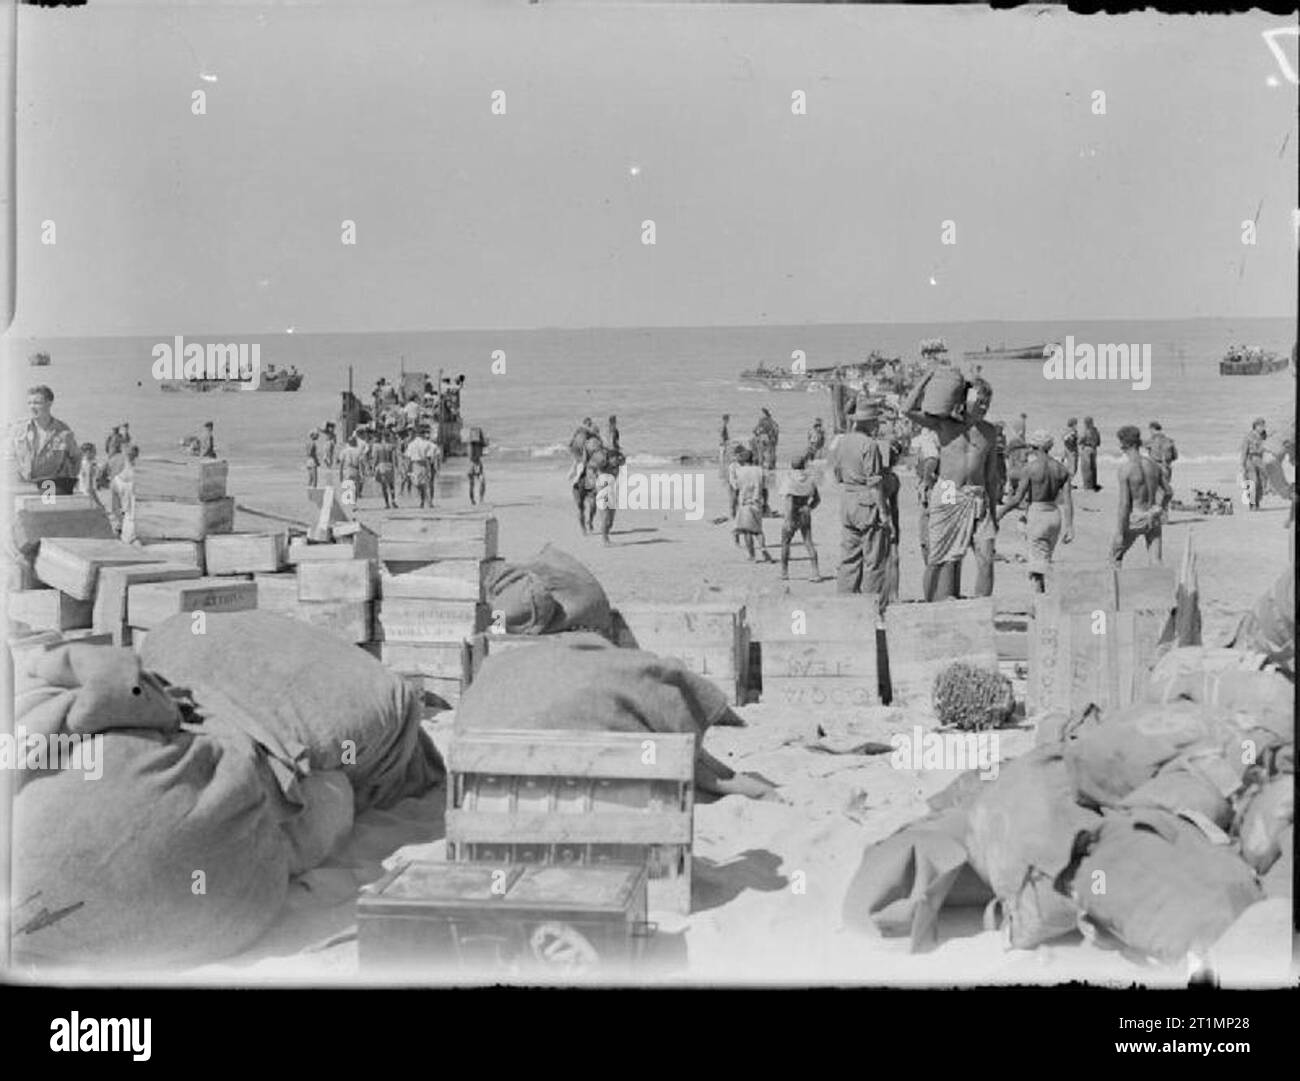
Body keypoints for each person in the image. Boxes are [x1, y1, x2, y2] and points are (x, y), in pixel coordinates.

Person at [903, 374, 1000, 601]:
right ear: (966, 399)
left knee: (986, 557)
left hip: (977, 495)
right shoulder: (945, 425)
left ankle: (981, 608)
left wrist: (994, 513)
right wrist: (927, 378)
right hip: (948, 490)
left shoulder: (989, 432)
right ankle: (933, 603)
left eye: (988, 403)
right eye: (980, 401)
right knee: (942, 557)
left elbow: (991, 476)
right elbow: (908, 409)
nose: (984, 407)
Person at [829, 395, 899, 605]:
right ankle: (871, 607)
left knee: (849, 557)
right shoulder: (870, 445)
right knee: (873, 559)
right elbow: (875, 483)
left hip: (848, 500)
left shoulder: (842, 441)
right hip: (867, 502)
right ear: (869, 421)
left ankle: (845, 604)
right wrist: (884, 513)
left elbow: (837, 474)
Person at [997, 430, 1073, 593]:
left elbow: (1017, 499)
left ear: (1034, 447)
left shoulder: (1030, 469)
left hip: (1037, 514)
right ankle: (1044, 596)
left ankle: (1040, 601)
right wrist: (1070, 526)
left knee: (1037, 565)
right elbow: (1067, 501)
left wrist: (1001, 513)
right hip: (1054, 514)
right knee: (1045, 558)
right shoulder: (1061, 469)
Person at [1111, 425, 1170, 565]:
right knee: (1156, 561)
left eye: (1120, 441)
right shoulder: (1154, 465)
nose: (1119, 445)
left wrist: (1120, 532)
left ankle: (1117, 586)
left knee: (1115, 557)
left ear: (1126, 444)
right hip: (1153, 514)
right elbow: (1168, 492)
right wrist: (1161, 507)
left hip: (1137, 517)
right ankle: (1160, 586)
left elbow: (1124, 505)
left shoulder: (1125, 469)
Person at [10, 385, 81, 495]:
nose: (32, 407)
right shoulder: (18, 430)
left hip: (50, 487)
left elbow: (76, 458)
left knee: (46, 511)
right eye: (30, 403)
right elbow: (8, 458)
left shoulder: (63, 432)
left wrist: (67, 482)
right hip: (23, 486)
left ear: (49, 403)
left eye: (37, 403)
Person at [779, 454, 821, 581]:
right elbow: (817, 499)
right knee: (808, 542)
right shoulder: (810, 479)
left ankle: (784, 572)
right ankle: (815, 572)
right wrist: (808, 507)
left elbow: (789, 500)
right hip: (805, 510)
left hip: (793, 512)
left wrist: (788, 519)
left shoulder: (789, 478)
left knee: (786, 542)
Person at [730, 447, 773, 562]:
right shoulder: (760, 470)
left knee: (747, 531)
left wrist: (733, 505)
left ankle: (752, 554)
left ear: (743, 460)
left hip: (744, 503)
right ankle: (763, 548)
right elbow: (765, 489)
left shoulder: (739, 471)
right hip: (757, 502)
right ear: (753, 459)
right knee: (758, 529)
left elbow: (736, 489)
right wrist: (766, 503)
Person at [914, 425, 941, 599]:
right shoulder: (950, 431)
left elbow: (931, 458)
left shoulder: (928, 435)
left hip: (934, 488)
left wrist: (925, 481)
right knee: (948, 535)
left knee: (928, 541)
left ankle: (933, 593)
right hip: (949, 485)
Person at [110, 444, 140, 542]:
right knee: (129, 511)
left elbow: (106, 471)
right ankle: (127, 535)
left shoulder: (115, 459)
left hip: (117, 482)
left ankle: (120, 529)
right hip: (125, 484)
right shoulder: (129, 464)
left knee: (119, 508)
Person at [1146, 421, 1177, 509]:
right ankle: (1164, 514)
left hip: (1155, 466)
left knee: (1155, 492)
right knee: (1165, 491)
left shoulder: (1152, 440)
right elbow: (1175, 456)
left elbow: (1142, 446)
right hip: (1167, 467)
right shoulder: (1169, 440)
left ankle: (1157, 514)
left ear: (1152, 429)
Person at [1240, 418, 1268, 511]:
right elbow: (1244, 450)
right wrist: (1243, 464)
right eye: (1261, 426)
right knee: (1253, 482)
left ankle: (1257, 502)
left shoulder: (1264, 436)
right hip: (1250, 460)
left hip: (1260, 460)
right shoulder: (1248, 436)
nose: (1263, 427)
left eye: (1264, 426)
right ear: (1256, 426)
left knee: (1261, 483)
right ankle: (1252, 504)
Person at [405, 425, 437, 508]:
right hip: (424, 464)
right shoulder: (428, 443)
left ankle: (424, 501)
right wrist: (433, 467)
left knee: (417, 484)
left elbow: (408, 457)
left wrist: (407, 468)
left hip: (415, 465)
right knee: (423, 484)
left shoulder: (411, 444)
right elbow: (431, 456)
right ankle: (427, 500)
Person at [372, 428, 399, 509]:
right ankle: (393, 501)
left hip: (381, 466)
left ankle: (387, 503)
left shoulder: (378, 446)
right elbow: (394, 458)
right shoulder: (391, 446)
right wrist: (397, 467)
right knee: (391, 485)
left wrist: (373, 467)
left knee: (384, 486)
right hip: (389, 466)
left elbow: (376, 458)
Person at [338, 435, 367, 504]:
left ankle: (349, 502)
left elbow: (341, 464)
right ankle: (354, 503)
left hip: (347, 470)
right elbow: (361, 463)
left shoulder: (344, 451)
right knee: (356, 488)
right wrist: (362, 473)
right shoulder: (358, 451)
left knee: (348, 487)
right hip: (355, 470)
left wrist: (340, 474)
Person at [1079, 416, 1102, 491]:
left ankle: (1087, 486)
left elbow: (1080, 440)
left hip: (1086, 448)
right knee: (1093, 468)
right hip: (1094, 449)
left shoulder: (1086, 430)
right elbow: (1099, 442)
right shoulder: (1095, 430)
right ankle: (1093, 484)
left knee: (1086, 468)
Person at [468, 426, 488, 505]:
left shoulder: (478, 444)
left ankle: (480, 499)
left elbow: (485, 446)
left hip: (477, 464)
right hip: (473, 464)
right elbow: (471, 456)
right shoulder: (471, 445)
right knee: (473, 484)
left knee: (480, 482)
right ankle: (473, 499)